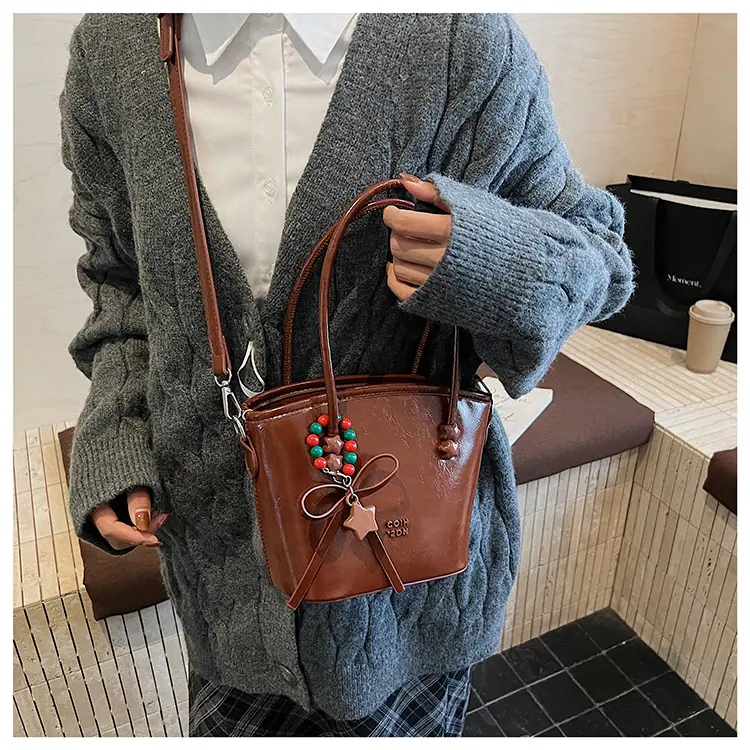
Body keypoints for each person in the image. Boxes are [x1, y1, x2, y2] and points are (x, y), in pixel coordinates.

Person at [60, 12, 633, 738]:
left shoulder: (459, 38)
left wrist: (486, 258)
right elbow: (122, 281)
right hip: (225, 585)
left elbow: (602, 255)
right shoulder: (113, 47)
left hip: (409, 580)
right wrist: (118, 435)